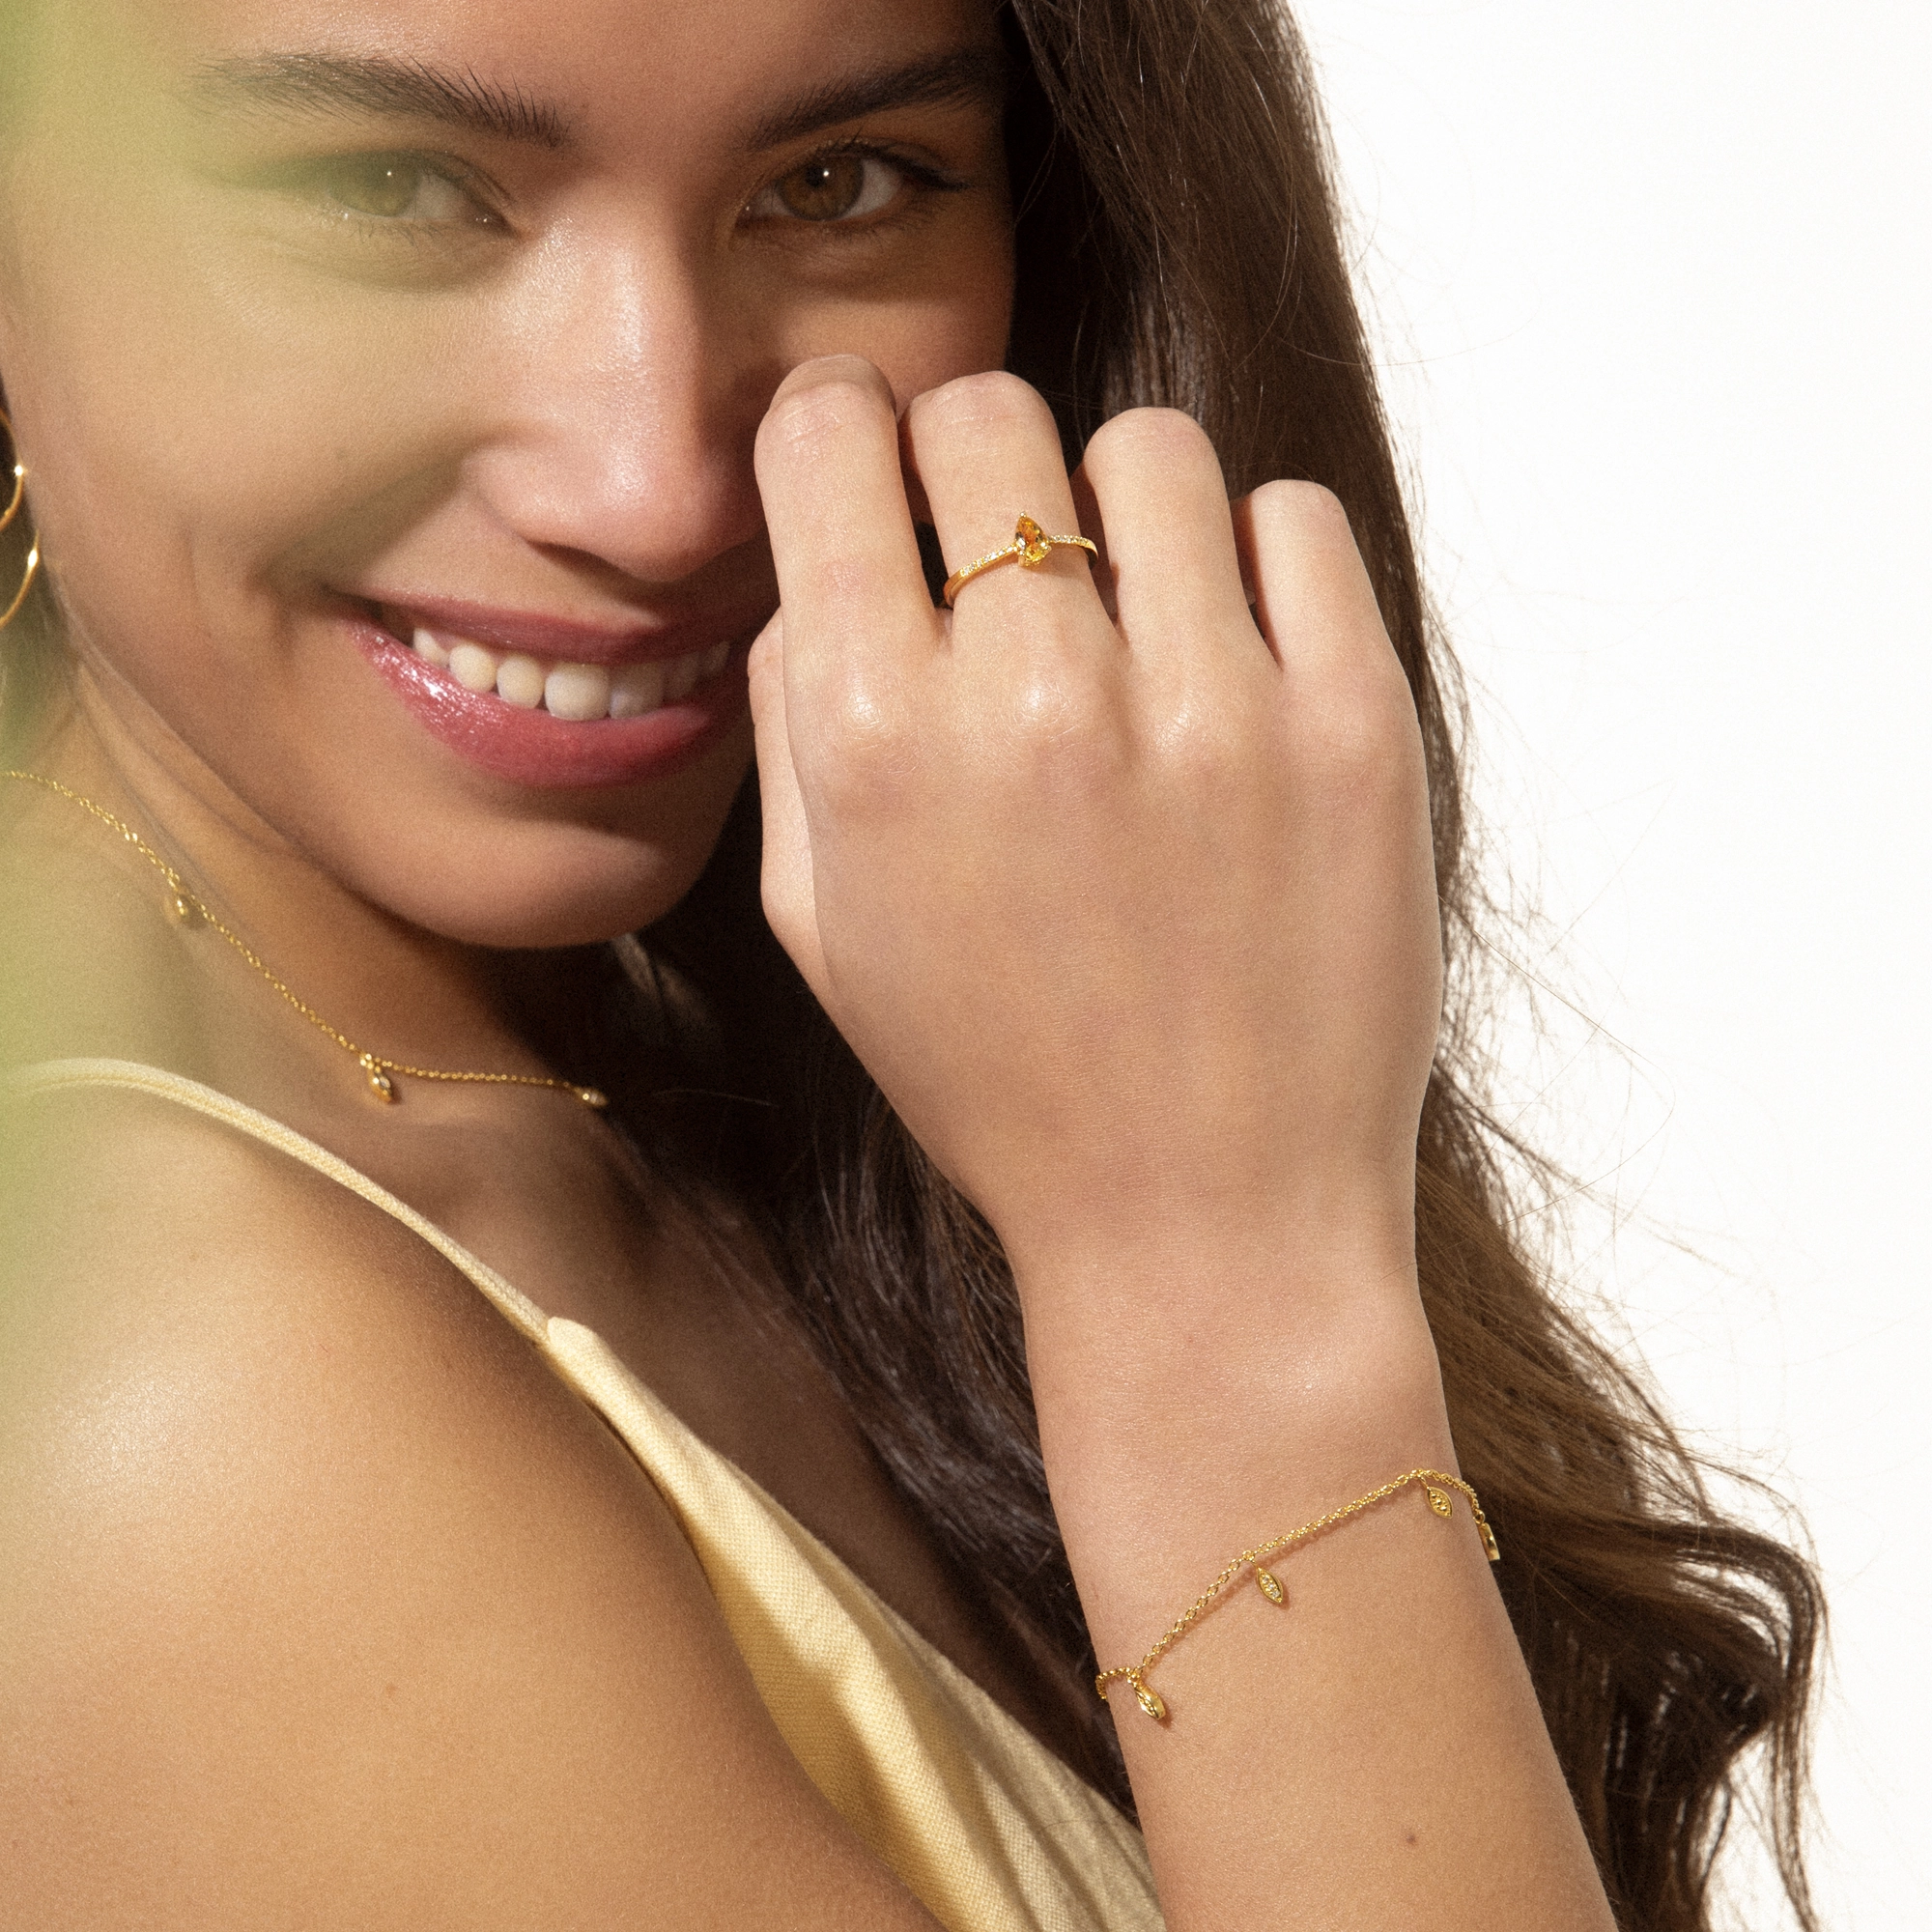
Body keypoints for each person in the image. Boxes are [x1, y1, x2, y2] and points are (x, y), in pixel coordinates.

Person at [0, 1, 1821, 1926]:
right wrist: (1222, 1284)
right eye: (387, 189)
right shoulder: (161, 1388)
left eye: (837, 183)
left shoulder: (769, 1074)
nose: (656, 486)